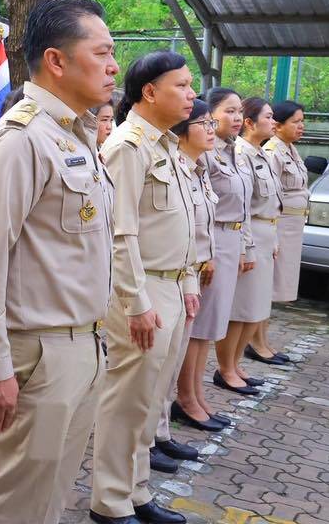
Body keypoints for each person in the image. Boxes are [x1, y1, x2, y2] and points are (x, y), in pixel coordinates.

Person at [0, 0, 115, 524]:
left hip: (83, 344)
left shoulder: (75, 135)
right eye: (102, 53)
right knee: (11, 504)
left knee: (47, 498)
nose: (114, 66)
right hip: (38, 354)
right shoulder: (20, 141)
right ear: (56, 60)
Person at [90, 50, 199, 524]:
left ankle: (136, 491)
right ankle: (110, 501)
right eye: (182, 85)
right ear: (150, 92)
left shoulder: (166, 145)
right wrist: (136, 302)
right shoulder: (127, 146)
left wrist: (188, 278)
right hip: (141, 289)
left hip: (169, 286)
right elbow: (120, 233)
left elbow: (183, 223)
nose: (192, 94)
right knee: (127, 400)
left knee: (151, 399)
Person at [152, 99, 221, 474]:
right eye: (204, 123)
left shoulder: (197, 169)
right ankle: (147, 439)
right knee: (157, 366)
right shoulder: (171, 165)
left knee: (171, 363)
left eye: (212, 123)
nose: (211, 130)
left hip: (188, 275)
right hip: (167, 274)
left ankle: (160, 431)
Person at [173, 88, 249, 426]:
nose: (236, 118)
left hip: (223, 243)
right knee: (199, 327)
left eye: (239, 111)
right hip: (209, 245)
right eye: (228, 111)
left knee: (208, 327)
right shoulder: (200, 153)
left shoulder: (228, 151)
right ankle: (187, 397)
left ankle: (196, 394)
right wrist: (207, 254)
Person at [217, 98, 282, 394]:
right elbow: (242, 206)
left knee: (255, 308)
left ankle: (236, 365)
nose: (273, 122)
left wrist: (274, 239)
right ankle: (226, 368)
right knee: (241, 310)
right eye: (268, 116)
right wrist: (248, 245)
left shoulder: (261, 154)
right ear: (250, 123)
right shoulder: (240, 152)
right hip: (248, 233)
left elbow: (273, 202)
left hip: (265, 233)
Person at [247, 101, 306, 365]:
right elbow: (267, 196)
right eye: (295, 121)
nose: (301, 126)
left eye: (302, 121)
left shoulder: (290, 149)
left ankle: (264, 340)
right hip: (277, 226)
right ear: (279, 125)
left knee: (274, 287)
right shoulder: (272, 151)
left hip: (290, 229)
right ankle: (256, 342)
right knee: (267, 288)